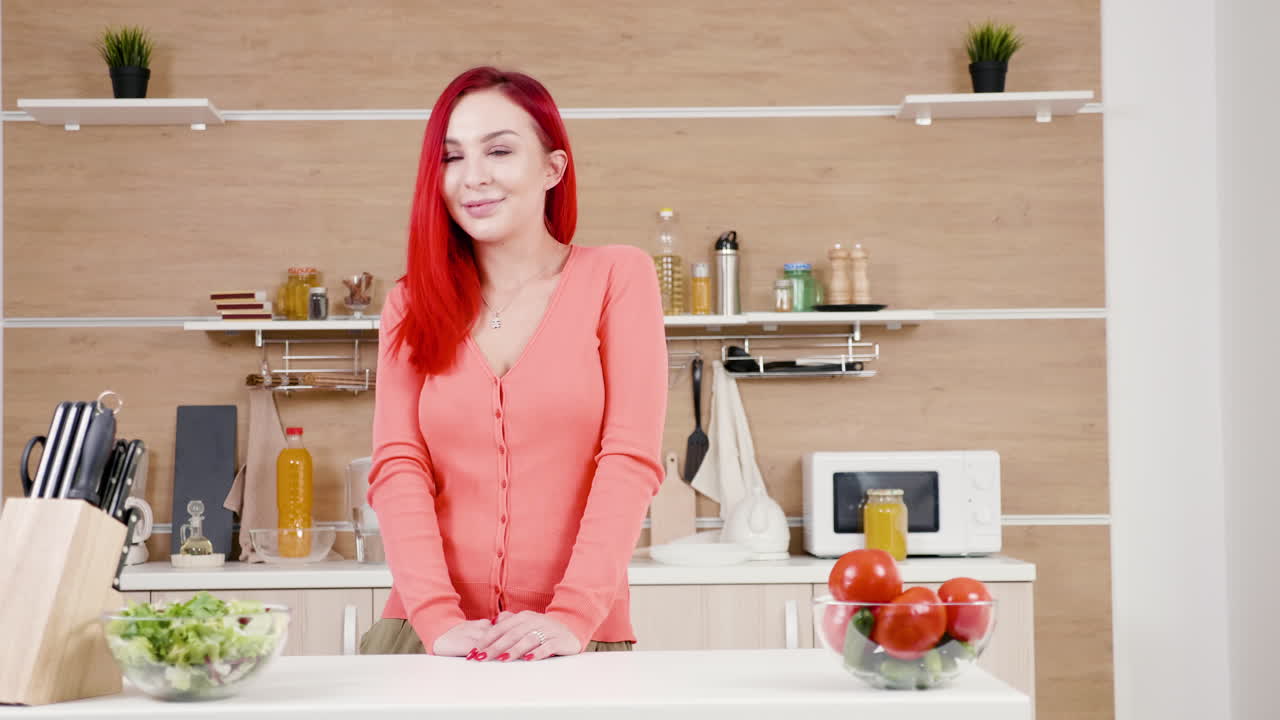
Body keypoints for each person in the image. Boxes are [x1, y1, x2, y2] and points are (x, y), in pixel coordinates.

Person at [359, 66, 668, 662]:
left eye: (499, 150)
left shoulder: (616, 277)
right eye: (451, 157)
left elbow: (628, 458)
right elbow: (398, 465)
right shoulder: (409, 303)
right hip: (426, 639)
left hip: (570, 641)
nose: (473, 177)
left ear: (553, 168)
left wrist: (572, 616)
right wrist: (436, 619)